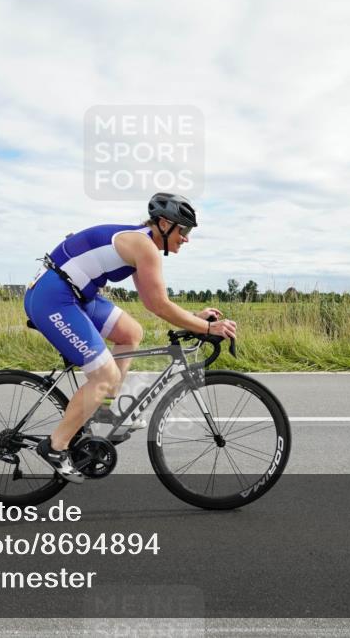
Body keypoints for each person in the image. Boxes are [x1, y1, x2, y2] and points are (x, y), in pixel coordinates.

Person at [23, 192, 238, 482]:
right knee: (104, 376)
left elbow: (155, 299)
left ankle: (105, 409)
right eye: (183, 230)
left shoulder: (142, 244)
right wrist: (207, 328)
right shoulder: (144, 246)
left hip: (76, 294)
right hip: (54, 297)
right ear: (164, 224)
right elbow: (158, 304)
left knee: (131, 332)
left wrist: (193, 318)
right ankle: (56, 446)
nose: (186, 238)